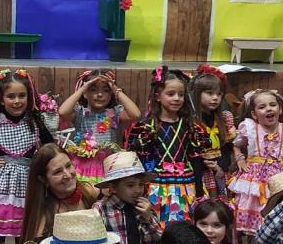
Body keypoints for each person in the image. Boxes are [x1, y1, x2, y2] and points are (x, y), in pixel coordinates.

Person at [0, 69, 54, 243]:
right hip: (1, 184)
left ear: (29, 97)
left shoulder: (34, 121)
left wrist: (42, 167)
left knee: (24, 227)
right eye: (11, 96)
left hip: (27, 182)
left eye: (22, 96)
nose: (17, 101)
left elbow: (50, 145)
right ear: (1, 99)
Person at [127, 66, 205, 223]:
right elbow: (139, 160)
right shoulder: (147, 127)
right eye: (171, 94)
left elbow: (196, 159)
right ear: (157, 96)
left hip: (185, 185)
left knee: (184, 222)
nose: (177, 98)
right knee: (157, 221)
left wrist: (198, 189)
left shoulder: (190, 126)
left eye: (181, 95)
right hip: (157, 186)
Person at [228, 89, 283, 244]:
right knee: (254, 227)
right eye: (262, 107)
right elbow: (236, 144)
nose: (268, 109)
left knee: (277, 222)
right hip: (255, 180)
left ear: (280, 109)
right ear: (254, 114)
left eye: (272, 105)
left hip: (279, 180)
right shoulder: (251, 129)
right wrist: (240, 158)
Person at [57, 69, 140, 185]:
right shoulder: (80, 113)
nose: (100, 94)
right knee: (87, 192)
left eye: (106, 90)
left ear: (111, 95)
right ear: (85, 94)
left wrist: (116, 89)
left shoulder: (114, 113)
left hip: (108, 163)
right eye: (93, 90)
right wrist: (82, 89)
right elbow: (62, 111)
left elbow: (136, 114)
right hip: (84, 164)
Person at [21, 144, 99, 244]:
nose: (68, 175)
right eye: (58, 172)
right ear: (44, 180)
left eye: (68, 165)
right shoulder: (42, 218)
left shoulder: (91, 192)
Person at [188, 65, 236, 200]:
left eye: (219, 94)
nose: (215, 98)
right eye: (210, 93)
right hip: (200, 172)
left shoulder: (224, 118)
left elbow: (226, 148)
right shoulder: (191, 121)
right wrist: (204, 162)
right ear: (197, 94)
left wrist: (220, 167)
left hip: (219, 171)